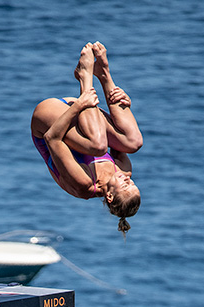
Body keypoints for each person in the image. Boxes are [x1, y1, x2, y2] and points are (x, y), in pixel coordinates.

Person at [30, 42, 143, 235]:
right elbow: (120, 132)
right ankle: (104, 74)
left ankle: (85, 77)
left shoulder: (84, 184)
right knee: (133, 142)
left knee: (98, 146)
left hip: (49, 120)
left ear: (108, 195)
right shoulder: (123, 170)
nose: (127, 177)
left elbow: (52, 138)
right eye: (132, 183)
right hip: (84, 116)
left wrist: (79, 105)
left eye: (125, 184)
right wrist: (126, 104)